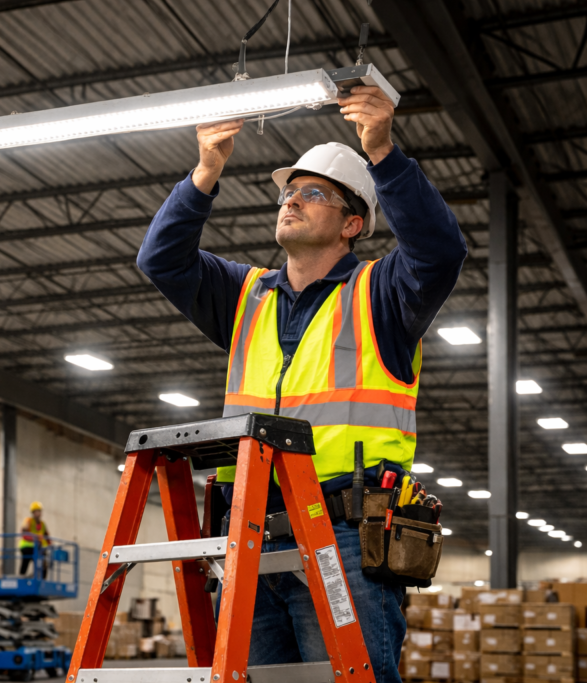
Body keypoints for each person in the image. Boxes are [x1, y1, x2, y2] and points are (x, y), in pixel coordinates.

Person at [136, 85, 467, 683]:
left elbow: (441, 252)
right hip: (249, 530)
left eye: (314, 194)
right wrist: (206, 171)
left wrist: (384, 152)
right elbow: (161, 260)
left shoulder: (382, 295)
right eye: (288, 193)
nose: (292, 202)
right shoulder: (245, 294)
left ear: (353, 224)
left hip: (344, 532)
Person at [19, 501, 50, 579]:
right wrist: (35, 539)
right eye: (36, 511)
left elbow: (47, 537)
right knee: (26, 560)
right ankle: (21, 576)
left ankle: (42, 579)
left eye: (39, 511)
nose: (38, 513)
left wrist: (50, 546)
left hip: (38, 548)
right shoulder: (28, 521)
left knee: (43, 562)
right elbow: (24, 534)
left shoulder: (43, 524)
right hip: (26, 546)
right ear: (33, 512)